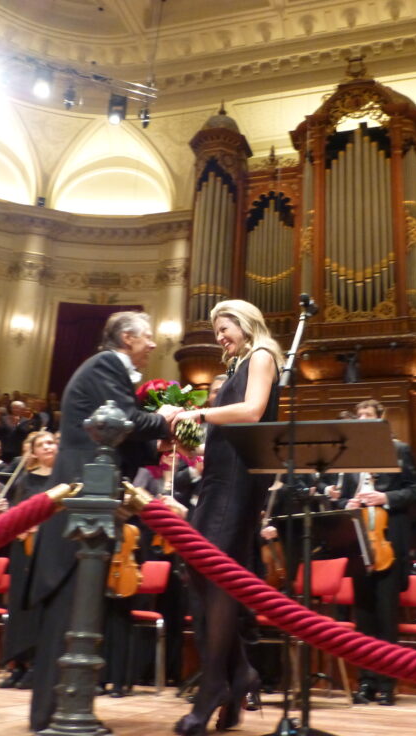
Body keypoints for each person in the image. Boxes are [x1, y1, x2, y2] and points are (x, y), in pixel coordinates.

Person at [28, 311, 180, 732]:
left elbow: (118, 435)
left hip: (93, 494)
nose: (153, 345)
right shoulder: (106, 365)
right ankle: (55, 714)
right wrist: (167, 418)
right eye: (148, 337)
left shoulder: (109, 368)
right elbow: (119, 420)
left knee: (81, 606)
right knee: (70, 604)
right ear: (128, 337)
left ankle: (65, 709)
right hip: (81, 497)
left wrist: (156, 439)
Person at [168, 299, 283, 736]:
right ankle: (236, 677)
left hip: (236, 485)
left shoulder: (262, 355)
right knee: (199, 575)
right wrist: (189, 441)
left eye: (224, 327)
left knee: (213, 578)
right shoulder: (238, 365)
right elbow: (225, 432)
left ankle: (218, 682)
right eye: (215, 331)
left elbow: (252, 412)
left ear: (246, 321)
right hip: (218, 481)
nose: (220, 338)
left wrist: (196, 412)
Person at [325, 398, 416, 707]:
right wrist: (346, 505)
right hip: (358, 548)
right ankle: (365, 682)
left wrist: (385, 496)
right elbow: (342, 502)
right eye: (359, 415)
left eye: (369, 415)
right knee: (363, 620)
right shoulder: (349, 457)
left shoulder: (399, 450)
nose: (363, 419)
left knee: (385, 619)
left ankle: (387, 684)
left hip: (387, 545)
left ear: (381, 421)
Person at [0, 430, 56, 690]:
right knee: (19, 604)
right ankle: (17, 664)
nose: (48, 446)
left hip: (48, 548)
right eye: (41, 444)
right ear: (32, 452)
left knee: (39, 606)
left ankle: (36, 665)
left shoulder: (64, 480)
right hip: (24, 546)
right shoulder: (25, 479)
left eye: (51, 442)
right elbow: (17, 511)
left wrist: (42, 529)